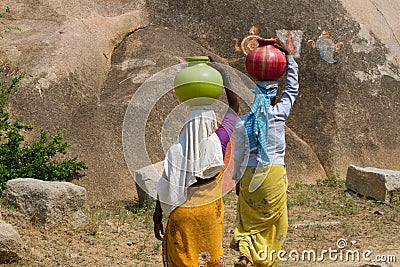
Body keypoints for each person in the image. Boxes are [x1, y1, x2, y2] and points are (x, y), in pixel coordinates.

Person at [153, 57, 239, 267]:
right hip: (208, 217)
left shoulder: (176, 149)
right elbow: (234, 107)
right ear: (211, 121)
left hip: (181, 215)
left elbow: (165, 185)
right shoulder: (218, 142)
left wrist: (157, 216)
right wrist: (224, 73)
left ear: (187, 122)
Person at [230, 39, 298, 267]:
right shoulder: (278, 114)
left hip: (249, 176)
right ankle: (265, 260)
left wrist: (236, 180)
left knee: (248, 221)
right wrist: (289, 57)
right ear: (272, 93)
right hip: (273, 174)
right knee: (276, 221)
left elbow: (238, 155)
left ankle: (244, 257)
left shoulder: (241, 124)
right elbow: (292, 89)